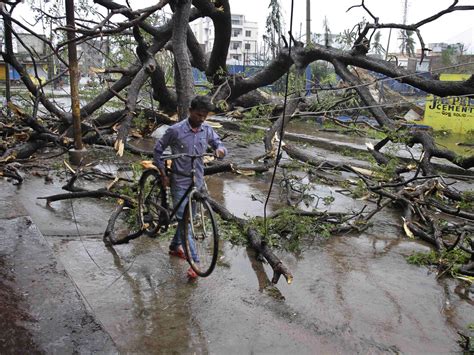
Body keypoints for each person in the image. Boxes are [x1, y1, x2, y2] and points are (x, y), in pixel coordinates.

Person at [153, 96, 227, 278]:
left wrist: (220, 150)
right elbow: (158, 150)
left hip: (198, 181)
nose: (202, 119)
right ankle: (195, 262)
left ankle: (174, 247)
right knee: (185, 221)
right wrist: (163, 174)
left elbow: (219, 144)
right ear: (190, 111)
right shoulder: (175, 130)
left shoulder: (207, 130)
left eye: (205, 116)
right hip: (179, 181)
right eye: (199, 114)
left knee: (187, 218)